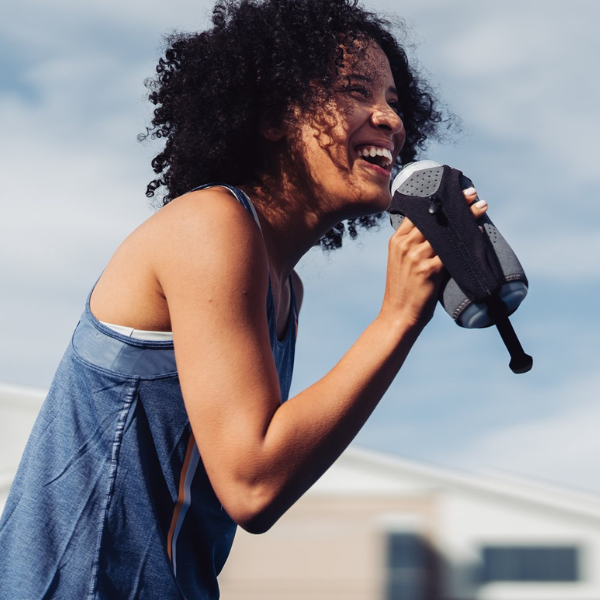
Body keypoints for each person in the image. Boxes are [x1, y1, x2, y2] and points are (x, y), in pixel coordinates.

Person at [0, 0, 488, 598]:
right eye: (356, 92)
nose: (389, 118)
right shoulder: (210, 226)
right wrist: (398, 315)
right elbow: (253, 484)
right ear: (275, 114)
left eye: (393, 100)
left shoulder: (284, 285)